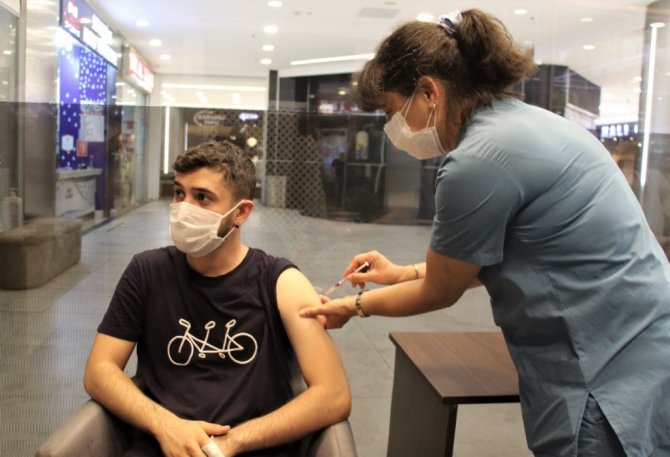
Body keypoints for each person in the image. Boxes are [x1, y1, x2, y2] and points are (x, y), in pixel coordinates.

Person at [300, 9, 670, 457]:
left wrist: (353, 306)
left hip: (603, 367)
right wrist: (401, 273)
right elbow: (491, 255)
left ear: (429, 91)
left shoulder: (476, 161)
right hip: (645, 343)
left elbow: (441, 291)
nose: (391, 128)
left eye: (392, 112)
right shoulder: (523, 123)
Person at [84, 140, 351, 457]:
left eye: (202, 197)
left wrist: (230, 443)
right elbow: (99, 370)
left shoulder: (281, 282)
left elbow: (333, 393)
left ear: (241, 213)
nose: (184, 208)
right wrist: (165, 425)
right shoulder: (147, 272)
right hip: (165, 447)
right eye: (179, 193)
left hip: (254, 449)